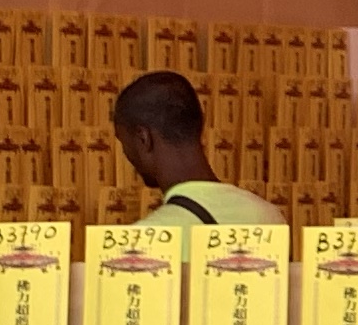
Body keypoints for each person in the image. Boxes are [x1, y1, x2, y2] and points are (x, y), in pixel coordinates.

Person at [114, 71, 286, 229]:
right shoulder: (268, 216)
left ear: (143, 139)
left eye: (123, 142)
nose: (126, 154)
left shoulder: (147, 236)